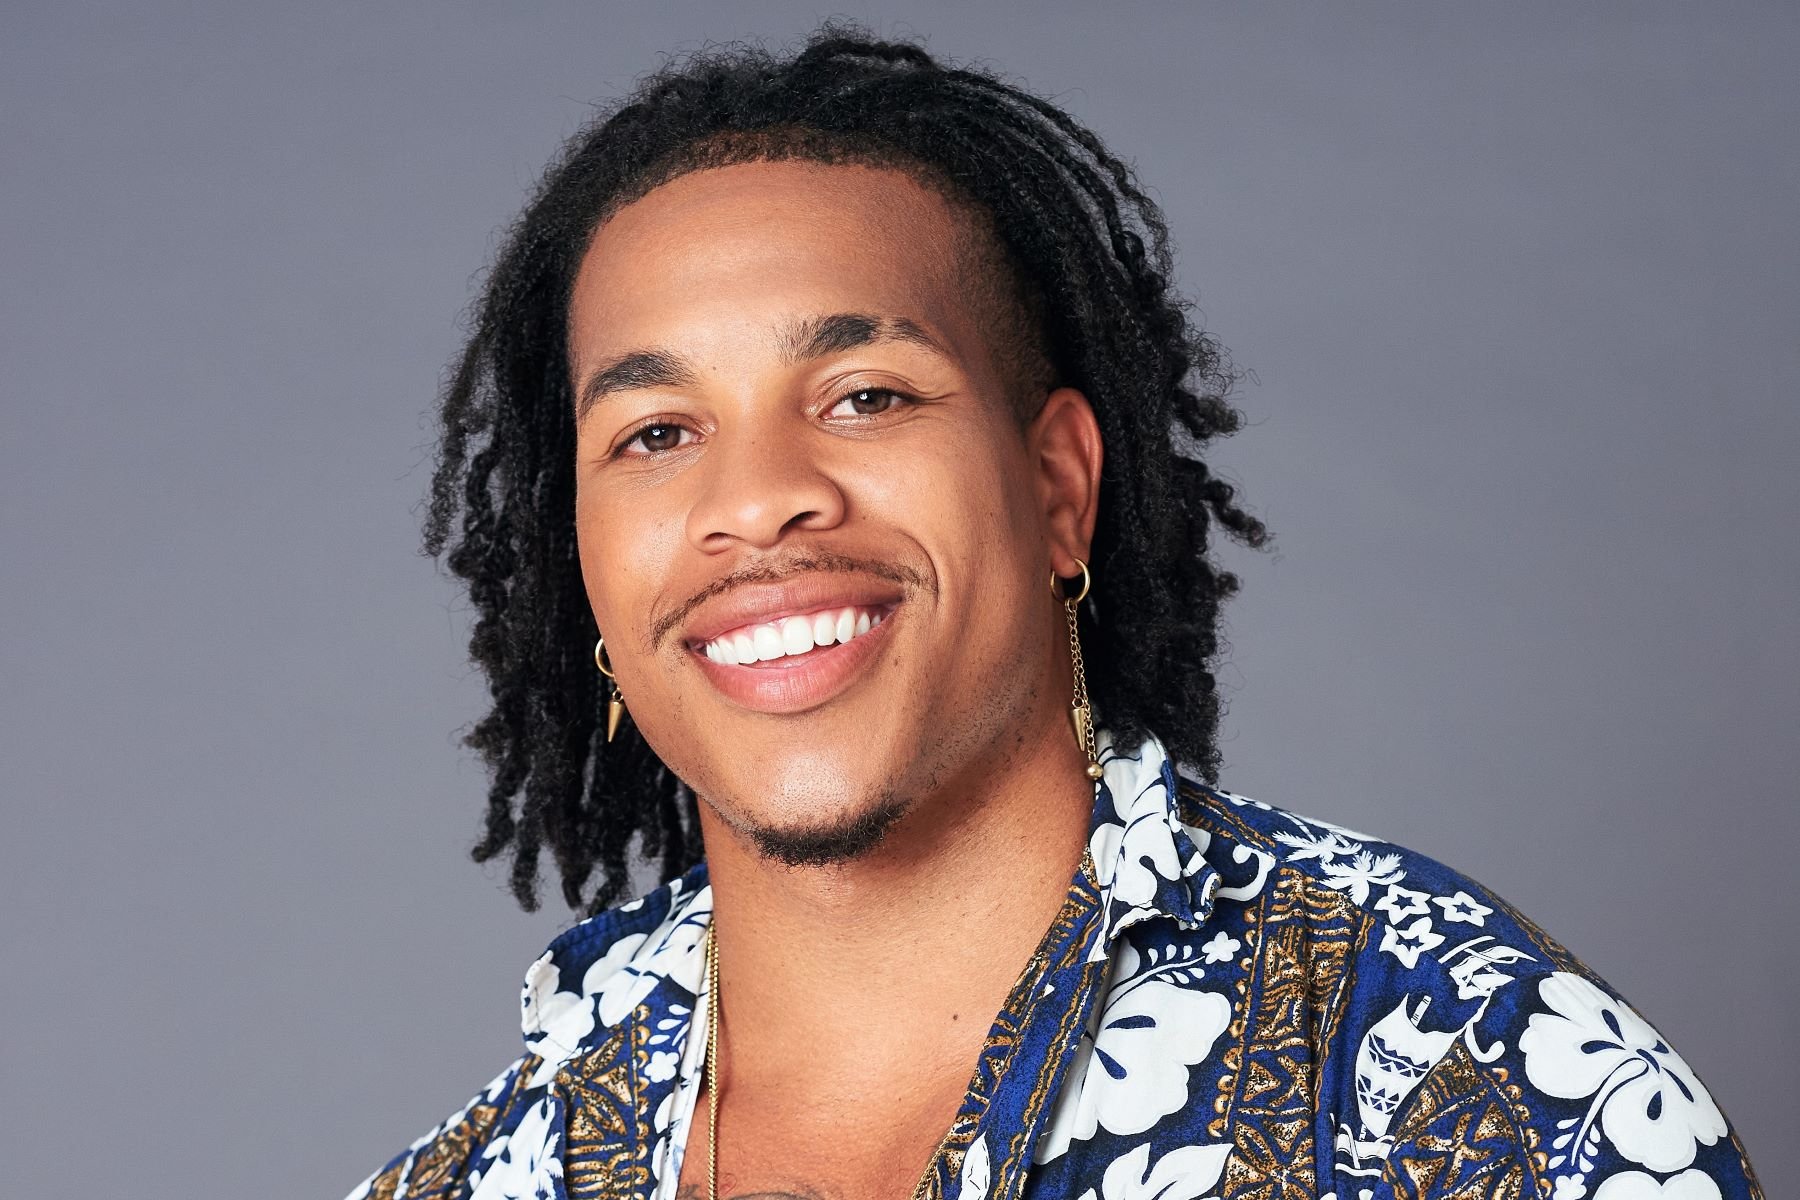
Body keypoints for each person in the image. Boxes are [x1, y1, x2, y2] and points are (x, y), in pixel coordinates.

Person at [347, 27, 1761, 1200]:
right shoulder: (482, 1176)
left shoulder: (1470, 1086)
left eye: (865, 397)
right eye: (656, 433)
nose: (760, 501)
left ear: (1059, 489)